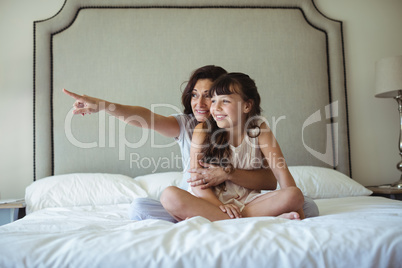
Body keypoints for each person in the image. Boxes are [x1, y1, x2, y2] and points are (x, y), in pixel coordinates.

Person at [64, 66, 303, 222]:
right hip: (201, 201)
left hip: (241, 201)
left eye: (209, 96)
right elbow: (145, 117)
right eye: (194, 94)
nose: (200, 103)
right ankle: (234, 219)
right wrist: (104, 105)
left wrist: (227, 173)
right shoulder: (190, 126)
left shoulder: (253, 128)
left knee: (303, 202)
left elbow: (274, 180)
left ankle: (226, 219)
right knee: (141, 207)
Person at [160, 72, 305, 221]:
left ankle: (225, 219)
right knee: (169, 196)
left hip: (248, 203)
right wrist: (220, 206)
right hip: (209, 203)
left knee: (294, 195)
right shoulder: (202, 130)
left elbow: (281, 174)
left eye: (225, 101)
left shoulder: (259, 130)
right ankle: (241, 218)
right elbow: (197, 184)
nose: (216, 108)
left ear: (247, 106)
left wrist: (302, 216)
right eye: (214, 101)